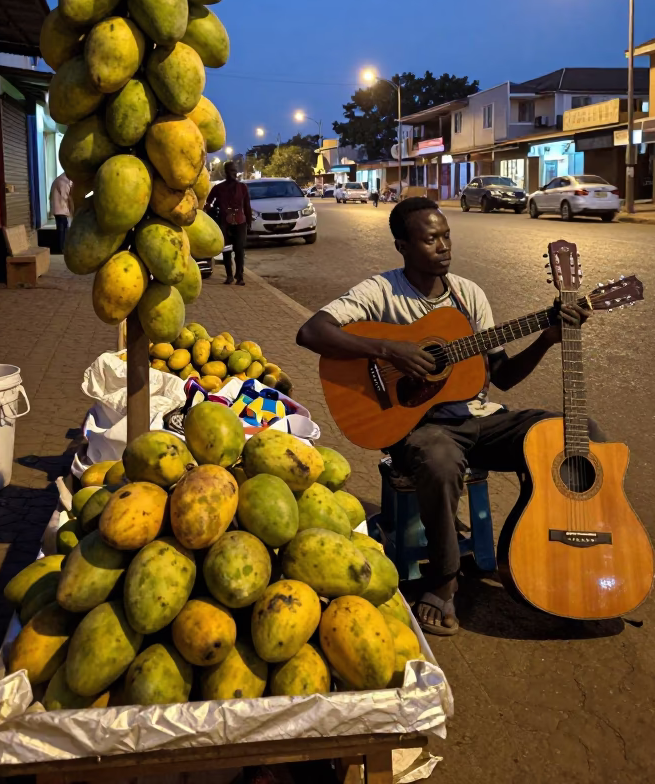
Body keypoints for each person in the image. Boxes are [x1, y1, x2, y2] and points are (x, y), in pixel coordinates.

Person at [296, 196, 601, 637]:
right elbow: (311, 332)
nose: (443, 246)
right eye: (430, 239)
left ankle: (543, 550)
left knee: (575, 434)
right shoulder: (380, 291)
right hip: (420, 427)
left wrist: (547, 339)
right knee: (438, 460)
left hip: (480, 418)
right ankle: (444, 579)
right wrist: (390, 348)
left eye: (446, 236)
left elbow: (505, 377)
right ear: (402, 246)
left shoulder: (468, 294)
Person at [206, 162, 252, 286]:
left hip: (240, 221)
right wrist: (211, 211)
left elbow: (247, 205)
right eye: (231, 170)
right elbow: (208, 202)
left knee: (239, 249)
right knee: (226, 250)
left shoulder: (242, 187)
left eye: (235, 171)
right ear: (226, 172)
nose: (234, 173)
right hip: (224, 222)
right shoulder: (218, 188)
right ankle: (229, 276)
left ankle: (240, 276)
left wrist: (249, 220)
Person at [49, 171, 73, 253]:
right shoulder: (64, 182)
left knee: (61, 229)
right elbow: (66, 197)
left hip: (58, 209)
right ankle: (62, 248)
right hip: (61, 210)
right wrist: (72, 210)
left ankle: (61, 248)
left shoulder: (59, 179)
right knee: (63, 230)